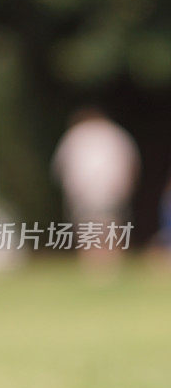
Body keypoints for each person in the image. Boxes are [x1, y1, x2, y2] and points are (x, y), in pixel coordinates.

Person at [51, 107, 140, 272]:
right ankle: (111, 262)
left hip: (83, 189)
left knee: (88, 226)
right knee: (110, 225)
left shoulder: (75, 135)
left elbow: (61, 165)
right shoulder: (116, 134)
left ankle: (91, 263)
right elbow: (130, 162)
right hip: (112, 188)